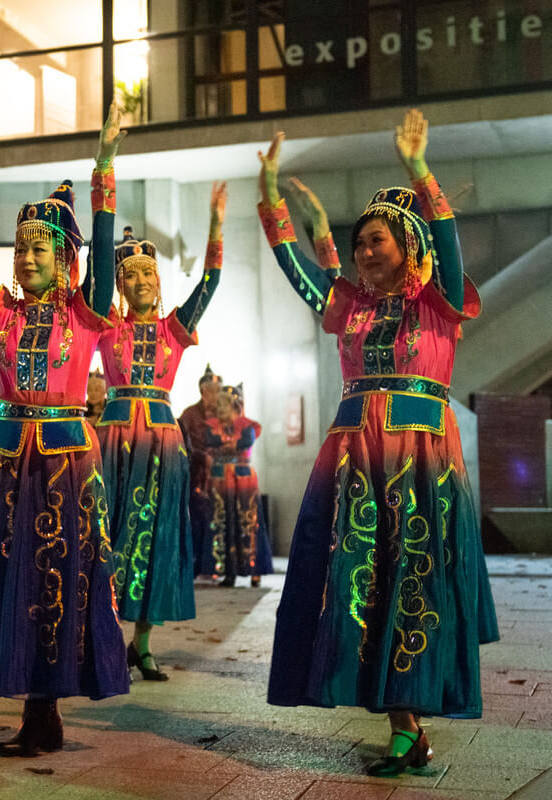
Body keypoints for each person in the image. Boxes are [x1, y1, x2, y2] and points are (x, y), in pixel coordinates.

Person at [257, 109, 498, 776]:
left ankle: (410, 722)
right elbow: (293, 268)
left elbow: (446, 245)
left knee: (414, 583)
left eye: (377, 241)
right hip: (354, 465)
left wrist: (418, 171)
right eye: (358, 241)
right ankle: (402, 724)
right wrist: (270, 195)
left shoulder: (439, 302)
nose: (363, 251)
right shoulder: (349, 308)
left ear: (408, 246)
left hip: (420, 464)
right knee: (362, 587)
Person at [0, 104, 129, 757]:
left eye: (41, 246)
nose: (27, 255)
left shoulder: (88, 310)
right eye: (21, 246)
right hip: (6, 462)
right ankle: (27, 702)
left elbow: (101, 241)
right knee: (8, 578)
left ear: (66, 258)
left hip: (66, 462)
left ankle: (47, 706)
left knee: (59, 577)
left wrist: (103, 169)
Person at [96, 184, 225, 682]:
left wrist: (215, 225)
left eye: (148, 272)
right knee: (108, 533)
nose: (141, 280)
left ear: (158, 279)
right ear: (120, 285)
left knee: (155, 538)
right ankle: (105, 635)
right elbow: (97, 278)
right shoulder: (106, 326)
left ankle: (142, 643)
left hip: (163, 442)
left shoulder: (175, 328)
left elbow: (210, 283)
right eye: (130, 275)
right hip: (111, 442)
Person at [197, 383, 272, 587]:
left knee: (248, 522)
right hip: (221, 480)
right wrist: (228, 447)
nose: (220, 411)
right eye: (218, 407)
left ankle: (255, 570)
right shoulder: (211, 426)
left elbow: (244, 442)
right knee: (224, 522)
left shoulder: (247, 426)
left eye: (225, 406)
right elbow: (211, 442)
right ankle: (228, 572)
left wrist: (226, 447)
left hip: (243, 479)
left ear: (236, 407)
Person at [178, 364, 222, 576]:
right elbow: (183, 444)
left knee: (219, 517)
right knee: (197, 518)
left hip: (221, 475)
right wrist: (200, 456)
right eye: (213, 390)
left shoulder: (225, 414)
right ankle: (195, 565)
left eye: (219, 390)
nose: (217, 395)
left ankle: (216, 564)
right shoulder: (190, 414)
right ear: (204, 391)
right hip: (197, 474)